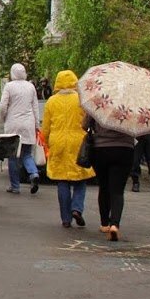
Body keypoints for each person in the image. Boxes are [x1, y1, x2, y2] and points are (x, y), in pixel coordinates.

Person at [41, 70, 96, 227]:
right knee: (80, 178)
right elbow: (88, 121)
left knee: (62, 180)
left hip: (57, 142)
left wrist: (46, 141)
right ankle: (77, 208)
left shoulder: (51, 101)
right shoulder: (81, 99)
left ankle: (66, 219)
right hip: (77, 142)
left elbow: (45, 127)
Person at [83, 114, 136, 241]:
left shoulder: (100, 102)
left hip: (101, 149)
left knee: (104, 186)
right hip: (125, 149)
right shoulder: (131, 106)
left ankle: (105, 224)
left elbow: (85, 125)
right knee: (117, 191)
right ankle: (115, 225)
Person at [0, 62, 41, 194]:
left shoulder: (9, 87)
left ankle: (15, 186)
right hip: (28, 123)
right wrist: (37, 125)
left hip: (13, 124)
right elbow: (35, 107)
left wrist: (4, 117)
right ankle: (33, 173)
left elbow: (2, 106)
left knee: (13, 156)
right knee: (27, 154)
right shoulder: (31, 87)